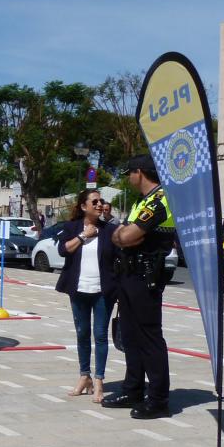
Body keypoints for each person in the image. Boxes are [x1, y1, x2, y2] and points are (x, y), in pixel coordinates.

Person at [103, 155, 176, 419]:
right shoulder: (141, 202)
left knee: (149, 337)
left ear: (140, 173)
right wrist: (122, 236)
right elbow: (120, 235)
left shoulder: (161, 201)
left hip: (146, 276)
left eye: (128, 173)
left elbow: (127, 235)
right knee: (130, 335)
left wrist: (124, 236)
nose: (128, 178)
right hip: (130, 273)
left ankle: (158, 399)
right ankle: (132, 389)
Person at [55, 189, 118, 402]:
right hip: (78, 289)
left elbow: (118, 259)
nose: (100, 204)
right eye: (95, 201)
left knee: (100, 335)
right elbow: (63, 250)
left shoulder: (110, 230)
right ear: (84, 206)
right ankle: (85, 377)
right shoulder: (71, 227)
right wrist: (84, 235)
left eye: (101, 201)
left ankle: (99, 381)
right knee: (82, 334)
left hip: (103, 291)